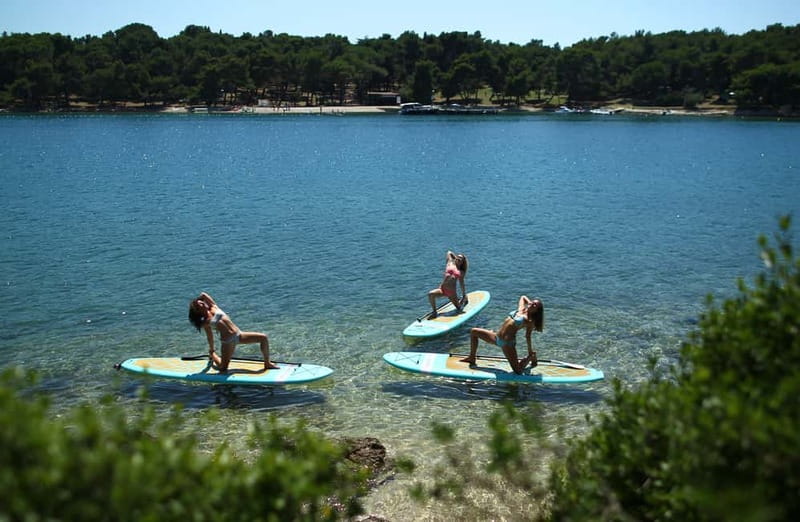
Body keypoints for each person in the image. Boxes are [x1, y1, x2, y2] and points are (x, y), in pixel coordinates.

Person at [188, 292, 279, 372]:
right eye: (201, 304)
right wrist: (212, 349)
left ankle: (267, 363)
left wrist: (196, 301)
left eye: (202, 302)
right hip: (228, 342)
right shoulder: (205, 322)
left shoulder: (213, 306)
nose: (204, 303)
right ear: (198, 310)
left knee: (263, 338)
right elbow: (210, 336)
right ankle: (212, 355)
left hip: (239, 335)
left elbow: (203, 294)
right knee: (223, 368)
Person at [461, 296, 544, 374]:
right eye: (532, 302)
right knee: (473, 332)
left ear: (537, 311)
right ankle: (472, 358)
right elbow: (523, 297)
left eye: (535, 305)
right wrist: (530, 303)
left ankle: (531, 357)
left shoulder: (529, 321)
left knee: (518, 371)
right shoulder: (521, 309)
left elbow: (527, 336)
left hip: (507, 344)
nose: (532, 304)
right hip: (496, 337)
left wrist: (530, 351)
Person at [428, 251, 469, 318]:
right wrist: (456, 257)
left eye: (460, 259)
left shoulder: (461, 271)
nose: (458, 259)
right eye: (458, 257)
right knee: (430, 294)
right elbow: (449, 252)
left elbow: (462, 283)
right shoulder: (450, 263)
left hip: (451, 293)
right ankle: (434, 312)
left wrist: (464, 294)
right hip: (442, 289)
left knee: (459, 308)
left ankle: (464, 299)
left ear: (462, 262)